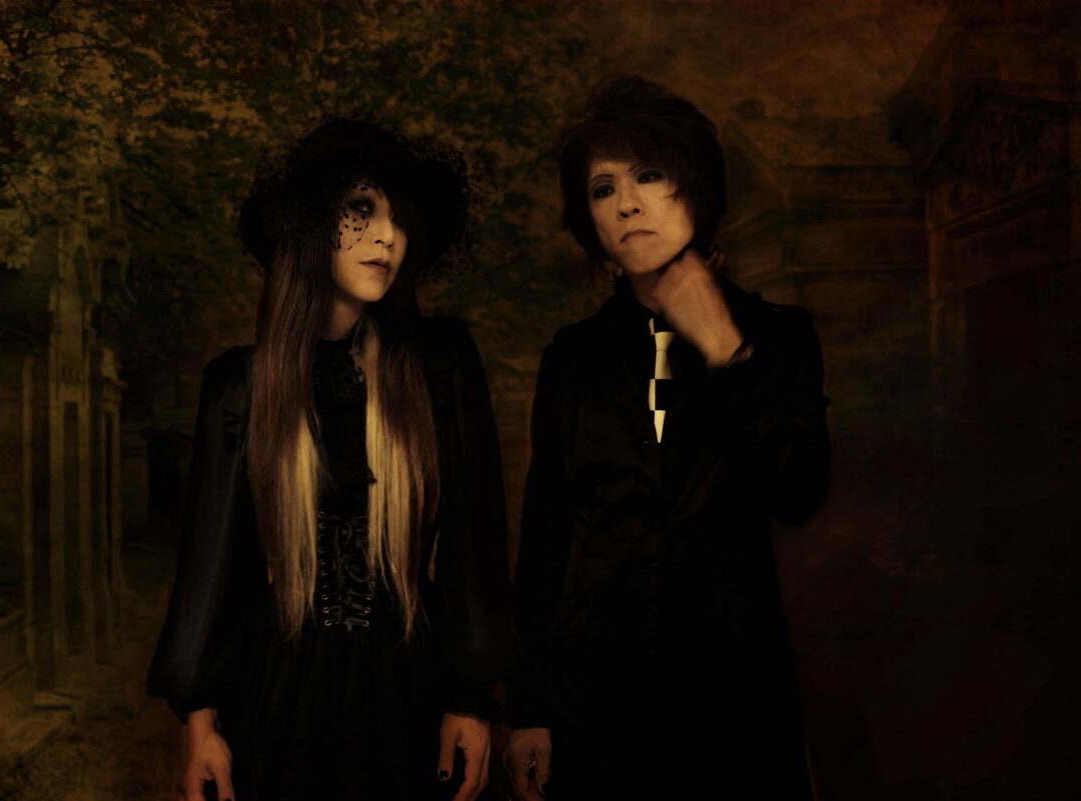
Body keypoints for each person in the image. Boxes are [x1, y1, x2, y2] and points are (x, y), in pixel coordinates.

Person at [147, 119, 517, 801]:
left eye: (398, 218)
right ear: (309, 223)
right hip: (277, 693)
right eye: (361, 210)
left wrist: (471, 698)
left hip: (412, 685)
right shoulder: (240, 385)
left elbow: (476, 547)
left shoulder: (439, 368)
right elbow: (212, 567)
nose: (387, 236)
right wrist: (200, 722)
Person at [503, 75, 831, 798]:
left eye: (649, 175)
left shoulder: (777, 338)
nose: (627, 203)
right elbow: (548, 534)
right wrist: (529, 706)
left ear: (697, 190)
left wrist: (727, 352)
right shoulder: (573, 357)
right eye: (603, 188)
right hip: (596, 704)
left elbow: (799, 490)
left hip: (735, 701)